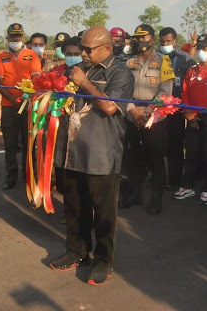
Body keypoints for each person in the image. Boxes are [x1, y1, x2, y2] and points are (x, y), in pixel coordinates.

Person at [49, 26, 134, 286]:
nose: (83, 53)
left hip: (101, 153)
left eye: (88, 49)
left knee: (104, 212)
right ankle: (77, 251)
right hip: (73, 150)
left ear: (107, 48)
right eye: (82, 49)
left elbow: (110, 107)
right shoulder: (79, 70)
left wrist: (84, 83)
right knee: (74, 207)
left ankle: (104, 260)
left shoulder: (121, 73)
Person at [120, 24, 175, 215]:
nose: (140, 42)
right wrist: (134, 111)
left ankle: (156, 200)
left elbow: (166, 92)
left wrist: (148, 112)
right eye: (137, 38)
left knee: (156, 159)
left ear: (152, 39)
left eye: (144, 38)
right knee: (134, 157)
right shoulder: (129, 62)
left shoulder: (163, 61)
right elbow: (123, 90)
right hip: (132, 114)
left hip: (155, 117)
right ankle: (135, 195)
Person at [174, 34, 207, 205]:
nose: (202, 52)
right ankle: (188, 186)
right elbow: (185, 93)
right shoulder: (191, 70)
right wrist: (189, 114)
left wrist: (195, 114)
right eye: (200, 48)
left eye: (206, 49)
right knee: (191, 153)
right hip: (192, 117)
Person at [0, 23, 41, 190]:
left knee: (29, 142)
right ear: (7, 37)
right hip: (8, 107)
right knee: (10, 144)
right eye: (13, 36)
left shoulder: (32, 55)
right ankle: (11, 176)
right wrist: (13, 100)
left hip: (29, 105)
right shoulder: (1, 57)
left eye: (19, 36)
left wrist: (27, 97)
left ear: (23, 37)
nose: (16, 39)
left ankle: (28, 175)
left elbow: (37, 79)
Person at [158, 27, 196, 189]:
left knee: (175, 147)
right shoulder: (155, 57)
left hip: (176, 110)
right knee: (159, 146)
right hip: (157, 109)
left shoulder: (186, 60)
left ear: (175, 42)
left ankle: (174, 181)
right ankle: (158, 179)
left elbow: (192, 84)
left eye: (168, 41)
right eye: (162, 41)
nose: (165, 44)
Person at [52, 36, 83, 195]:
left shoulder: (89, 75)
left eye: (75, 53)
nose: (72, 57)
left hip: (82, 128)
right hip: (61, 124)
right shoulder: (59, 73)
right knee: (61, 162)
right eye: (68, 54)